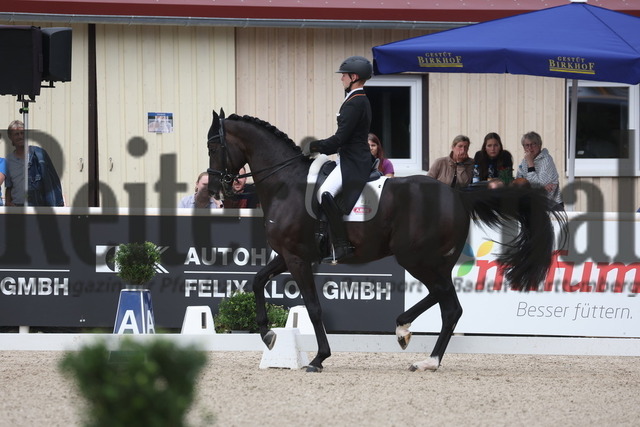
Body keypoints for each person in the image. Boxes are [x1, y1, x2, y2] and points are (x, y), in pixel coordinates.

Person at [302, 55, 373, 263]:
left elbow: (340, 139)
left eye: (344, 74)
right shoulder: (355, 99)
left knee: (325, 193)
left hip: (353, 161)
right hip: (350, 157)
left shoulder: (355, 102)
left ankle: (341, 245)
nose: (341, 78)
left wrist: (314, 146)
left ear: (354, 76)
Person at [5, 120, 64, 207]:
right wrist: (8, 202)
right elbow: (9, 186)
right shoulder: (9, 160)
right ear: (10, 137)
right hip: (17, 207)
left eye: (22, 133)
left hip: (37, 206)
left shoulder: (39, 155)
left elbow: (52, 182)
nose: (20, 136)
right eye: (16, 134)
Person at [516, 131, 564, 210]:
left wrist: (531, 164)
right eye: (527, 145)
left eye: (533, 144)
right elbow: (519, 182)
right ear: (523, 147)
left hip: (552, 205)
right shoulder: (525, 161)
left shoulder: (547, 159)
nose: (530, 148)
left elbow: (537, 185)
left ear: (539, 145)